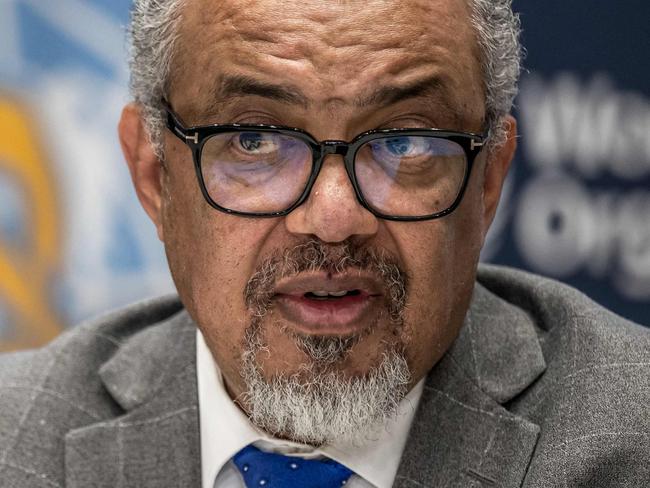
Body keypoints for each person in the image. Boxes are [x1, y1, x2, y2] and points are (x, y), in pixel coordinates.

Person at [1, 0, 648, 486]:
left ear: (489, 182)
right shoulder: (16, 439)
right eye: (254, 140)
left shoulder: (629, 434)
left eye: (405, 141)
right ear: (153, 176)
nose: (333, 217)